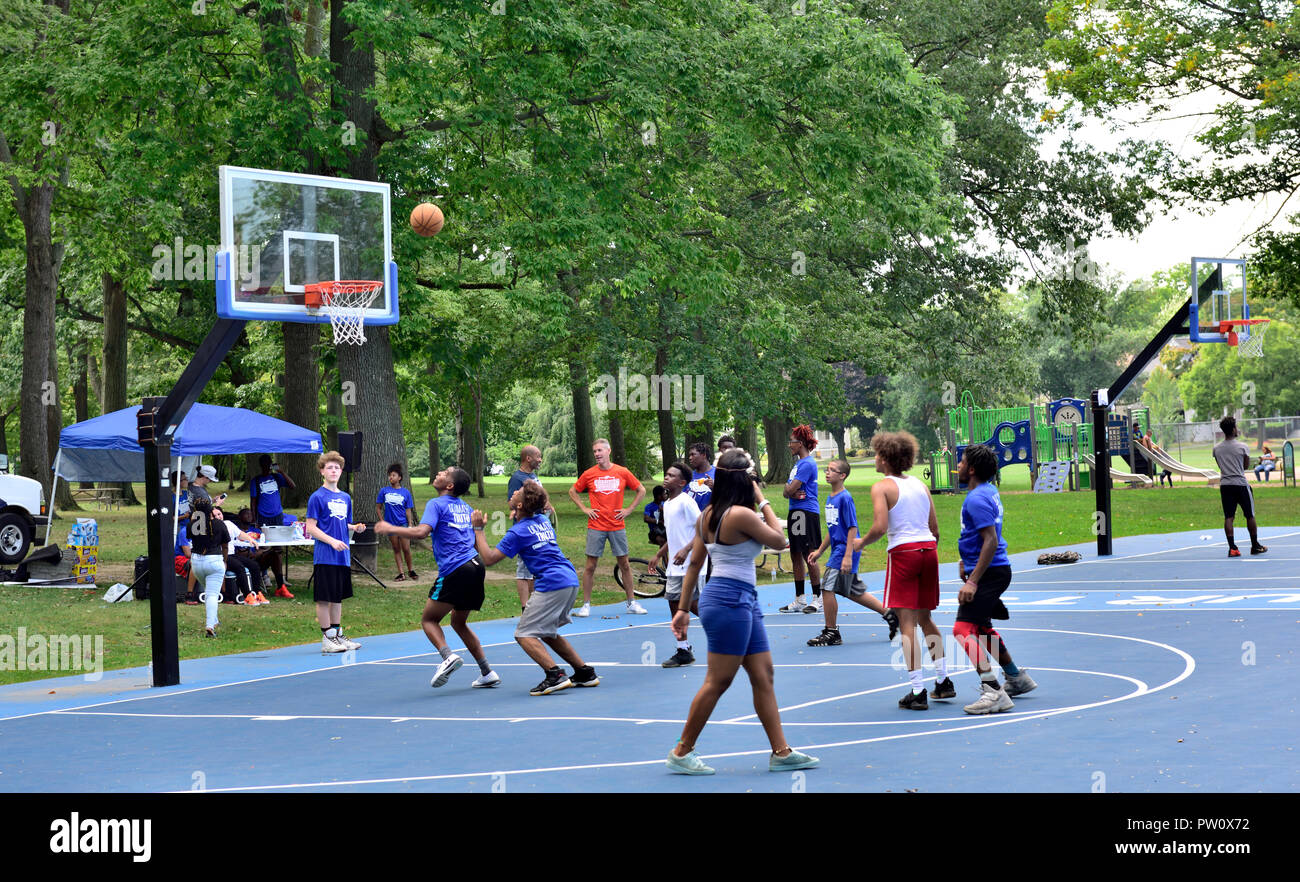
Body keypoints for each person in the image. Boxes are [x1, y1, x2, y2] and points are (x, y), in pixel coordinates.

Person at [666, 448, 819, 775]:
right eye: (750, 478)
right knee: (718, 681)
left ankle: (781, 752)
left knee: (763, 675)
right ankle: (682, 751)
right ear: (742, 481)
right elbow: (780, 540)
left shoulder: (708, 514)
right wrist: (763, 499)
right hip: (728, 600)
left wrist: (682, 610)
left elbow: (695, 564)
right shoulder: (740, 515)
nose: (754, 482)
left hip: (740, 598)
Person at [471, 480, 600, 695]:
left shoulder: (518, 532)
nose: (513, 493)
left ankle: (554, 675)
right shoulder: (542, 519)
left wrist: (478, 530)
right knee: (547, 632)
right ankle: (584, 672)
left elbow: (489, 558)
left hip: (553, 583)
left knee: (524, 634)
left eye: (518, 492)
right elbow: (539, 501)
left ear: (521, 505)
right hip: (568, 579)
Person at [375, 467, 498, 688]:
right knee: (458, 623)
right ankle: (487, 671)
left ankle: (448, 657)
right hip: (476, 565)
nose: (439, 472)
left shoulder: (436, 504)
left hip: (456, 569)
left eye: (445, 472)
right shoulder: (466, 507)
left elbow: (422, 532)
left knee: (428, 620)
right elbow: (469, 538)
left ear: (449, 486)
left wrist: (390, 528)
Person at [854, 431, 951, 710]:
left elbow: (881, 527)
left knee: (906, 623)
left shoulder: (882, 487)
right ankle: (943, 681)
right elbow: (934, 529)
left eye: (876, 453)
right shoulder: (920, 485)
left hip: (904, 552)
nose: (874, 457)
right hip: (928, 550)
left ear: (884, 458)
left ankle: (918, 690)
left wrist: (861, 542)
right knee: (926, 619)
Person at [952, 444, 1037, 714]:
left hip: (989, 572)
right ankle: (1017, 678)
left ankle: (993, 691)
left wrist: (973, 580)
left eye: (963, 462)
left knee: (962, 630)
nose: (959, 465)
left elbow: (990, 540)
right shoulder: (987, 492)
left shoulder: (976, 499)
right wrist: (966, 559)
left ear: (973, 469)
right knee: (982, 629)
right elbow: (978, 536)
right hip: (991, 569)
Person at [805, 459, 898, 647]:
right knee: (851, 590)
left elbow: (852, 528)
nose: (827, 472)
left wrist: (847, 556)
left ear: (842, 476)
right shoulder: (831, 497)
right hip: (839, 549)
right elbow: (833, 530)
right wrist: (820, 551)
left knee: (827, 588)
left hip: (845, 549)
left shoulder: (844, 498)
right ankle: (891, 614)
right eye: (826, 469)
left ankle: (831, 632)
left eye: (832, 470)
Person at [568, 438, 647, 617]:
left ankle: (631, 603)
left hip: (617, 525)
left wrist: (629, 509)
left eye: (600, 451)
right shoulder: (589, 474)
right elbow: (573, 491)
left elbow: (641, 490)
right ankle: (586, 605)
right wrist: (584, 508)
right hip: (596, 525)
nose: (597, 454)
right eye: (594, 451)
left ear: (608, 451)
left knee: (624, 564)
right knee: (590, 566)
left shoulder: (622, 471)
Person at [304, 451, 367, 653]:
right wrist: (332, 542)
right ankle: (327, 638)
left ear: (341, 472)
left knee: (337, 598)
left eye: (337, 468)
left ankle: (338, 635)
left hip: (343, 556)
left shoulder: (346, 497)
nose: (333, 471)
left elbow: (342, 523)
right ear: (322, 471)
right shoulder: (317, 497)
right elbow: (311, 528)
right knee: (324, 598)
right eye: (329, 467)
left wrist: (354, 527)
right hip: (325, 555)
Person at [654, 462, 702, 667]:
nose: (666, 477)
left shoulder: (686, 502)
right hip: (675, 564)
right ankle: (683, 649)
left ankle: (726, 631)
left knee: (691, 604)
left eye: (671, 476)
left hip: (690, 563)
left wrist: (686, 550)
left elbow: (703, 529)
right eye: (666, 474)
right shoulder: (668, 504)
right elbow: (673, 535)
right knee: (674, 603)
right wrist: (659, 554)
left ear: (682, 482)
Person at [780, 425, 822, 613]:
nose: (789, 445)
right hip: (796, 512)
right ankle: (800, 599)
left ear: (801, 443)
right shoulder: (798, 465)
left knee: (809, 555)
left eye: (792, 442)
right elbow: (785, 492)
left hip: (806, 512)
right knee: (795, 554)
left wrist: (790, 490)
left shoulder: (807, 464)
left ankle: (817, 598)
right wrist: (790, 491)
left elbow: (789, 489)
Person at [507, 445, 554, 610]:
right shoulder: (517, 478)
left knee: (533, 570)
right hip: (525, 531)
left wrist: (548, 505)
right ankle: (525, 607)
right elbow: (512, 504)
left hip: (538, 528)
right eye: (538, 456)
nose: (540, 460)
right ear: (528, 458)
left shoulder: (533, 476)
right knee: (523, 571)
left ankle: (533, 605)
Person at [1212, 417, 1267, 558]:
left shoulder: (1216, 449)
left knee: (1229, 517)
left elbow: (1220, 466)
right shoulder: (1242, 447)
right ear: (1233, 429)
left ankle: (1232, 548)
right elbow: (1245, 466)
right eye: (1236, 427)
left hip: (1225, 485)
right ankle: (1255, 545)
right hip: (1241, 484)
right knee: (1250, 515)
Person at [187, 496, 232, 638]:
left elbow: (191, 535)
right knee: (212, 594)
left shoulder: (192, 525)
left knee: (209, 591)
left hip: (196, 562)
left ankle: (214, 620)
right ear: (211, 510)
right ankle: (210, 626)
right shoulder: (219, 524)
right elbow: (225, 545)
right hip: (214, 561)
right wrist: (225, 560)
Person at [214, 506, 269, 605]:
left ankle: (257, 593)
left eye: (219, 514)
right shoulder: (211, 527)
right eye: (214, 515)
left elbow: (240, 534)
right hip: (220, 556)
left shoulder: (229, 524)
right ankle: (247, 595)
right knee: (239, 567)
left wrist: (250, 539)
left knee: (254, 565)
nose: (218, 517)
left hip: (231, 554)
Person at [234, 507, 292, 597]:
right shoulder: (235, 531)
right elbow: (235, 552)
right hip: (241, 561)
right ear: (239, 517)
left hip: (257, 560)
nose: (250, 516)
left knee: (275, 553)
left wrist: (260, 552)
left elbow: (266, 545)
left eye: (251, 514)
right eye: (247, 514)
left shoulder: (256, 531)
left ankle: (281, 587)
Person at [375, 463, 418, 581]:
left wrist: (410, 525)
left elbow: (408, 510)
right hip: (390, 525)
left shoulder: (405, 492)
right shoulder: (384, 491)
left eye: (393, 475)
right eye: (389, 475)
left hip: (403, 525)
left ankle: (411, 570)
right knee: (396, 548)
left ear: (399, 477)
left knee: (406, 548)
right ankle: (401, 573)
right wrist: (383, 522)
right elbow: (378, 507)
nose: (391, 477)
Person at [250, 454, 295, 527]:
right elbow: (253, 501)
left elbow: (292, 486)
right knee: (265, 536)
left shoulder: (276, 477)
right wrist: (254, 519)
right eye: (266, 463)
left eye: (270, 463)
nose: (268, 466)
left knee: (279, 536)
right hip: (263, 515)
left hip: (277, 514)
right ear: (261, 465)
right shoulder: (255, 481)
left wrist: (282, 472)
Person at [686, 442, 716, 511]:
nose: (690, 458)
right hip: (692, 519)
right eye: (689, 455)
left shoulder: (719, 473)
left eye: (693, 454)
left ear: (703, 455)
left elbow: (728, 498)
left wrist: (714, 487)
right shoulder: (688, 476)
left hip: (711, 519)